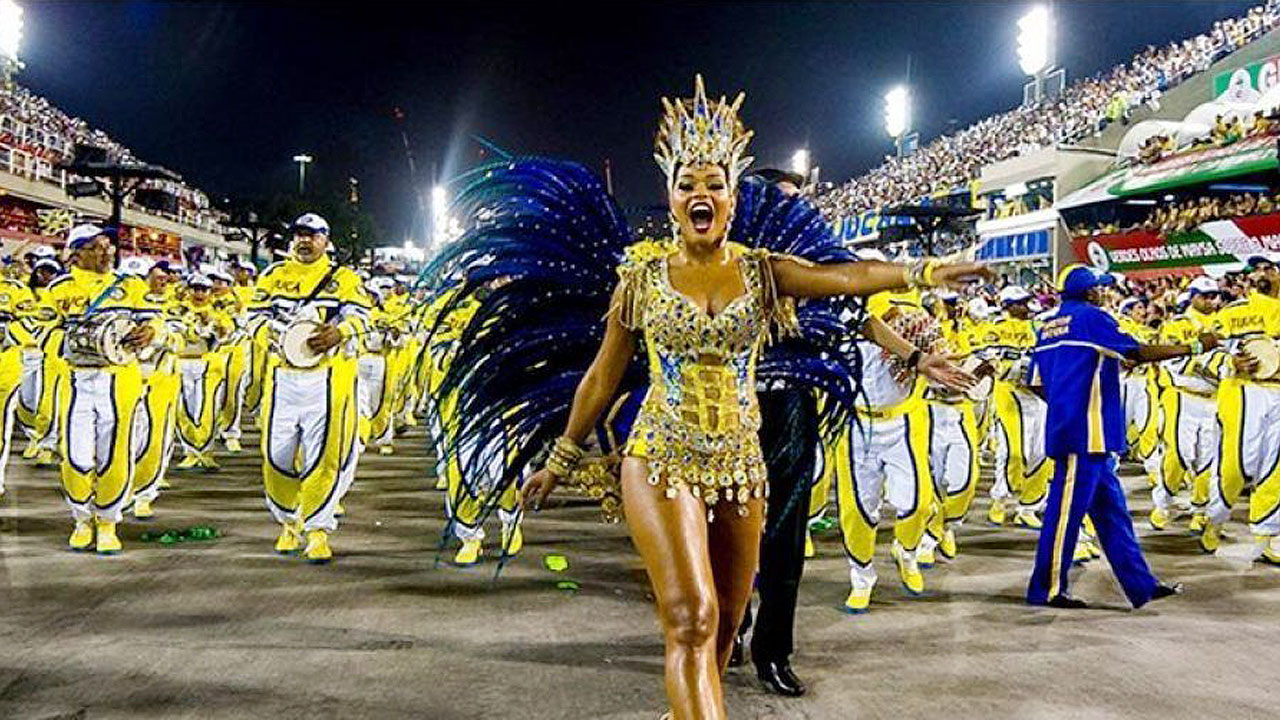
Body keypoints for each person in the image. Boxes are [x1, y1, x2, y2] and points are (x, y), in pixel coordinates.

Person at [519, 76, 989, 719]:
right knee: (692, 615)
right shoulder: (641, 281)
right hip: (661, 455)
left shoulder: (765, 271)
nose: (701, 195)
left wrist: (925, 270)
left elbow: (843, 278)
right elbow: (602, 376)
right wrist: (563, 457)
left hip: (743, 460)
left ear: (734, 198)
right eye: (689, 184)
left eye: (714, 184)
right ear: (670, 196)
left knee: (727, 621)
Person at [1027, 264, 1201, 608]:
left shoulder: (1046, 326)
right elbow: (1137, 352)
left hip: (1076, 430)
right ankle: (1045, 590)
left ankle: (1141, 585)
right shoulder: (1094, 318)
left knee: (1113, 514)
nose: (1103, 293)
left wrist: (1067, 401)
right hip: (1086, 434)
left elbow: (1036, 381)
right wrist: (1193, 347)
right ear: (1090, 292)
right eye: (1099, 288)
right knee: (1065, 515)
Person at [251, 213, 370, 563]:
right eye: (300, 234)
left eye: (313, 235)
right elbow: (252, 319)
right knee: (277, 456)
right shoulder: (273, 276)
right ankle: (290, 520)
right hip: (283, 378)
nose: (305, 241)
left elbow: (362, 318)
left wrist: (340, 332)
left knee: (324, 456)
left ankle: (318, 530)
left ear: (326, 241)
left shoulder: (344, 279)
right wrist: (276, 337)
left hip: (326, 378)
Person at [43, 224, 156, 554]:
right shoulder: (59, 289)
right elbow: (41, 330)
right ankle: (81, 519)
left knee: (115, 454)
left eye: (108, 245)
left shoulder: (129, 286)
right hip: (76, 378)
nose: (107, 251)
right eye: (96, 246)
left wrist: (150, 333)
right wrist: (71, 343)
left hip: (119, 378)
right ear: (76, 253)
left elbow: (156, 321)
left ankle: (108, 521)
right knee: (75, 454)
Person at [987, 285, 1052, 528]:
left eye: (1026, 301)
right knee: (1013, 451)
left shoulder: (1039, 328)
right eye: (1019, 302)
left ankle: (1029, 506)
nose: (1025, 306)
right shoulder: (995, 329)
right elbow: (991, 362)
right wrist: (1017, 368)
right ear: (1007, 306)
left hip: (1037, 396)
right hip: (1008, 395)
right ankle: (1001, 499)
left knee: (1041, 452)